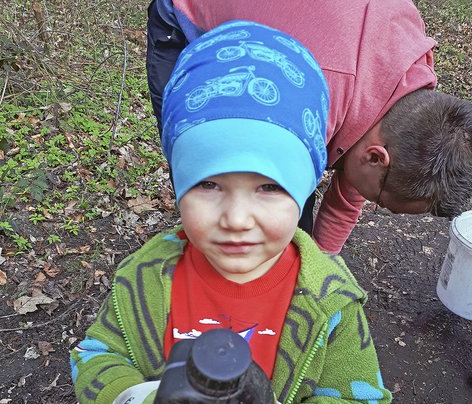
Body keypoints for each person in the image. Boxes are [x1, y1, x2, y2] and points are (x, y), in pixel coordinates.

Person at [71, 21, 392, 404]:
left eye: (269, 186)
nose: (237, 218)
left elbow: (365, 402)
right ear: (176, 181)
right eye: (209, 183)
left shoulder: (329, 300)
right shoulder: (147, 279)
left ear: (306, 185)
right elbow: (97, 353)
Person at [146, 0, 472, 254]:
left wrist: (316, 273)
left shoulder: (409, 100)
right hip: (188, 17)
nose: (370, 202)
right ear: (376, 158)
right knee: (209, 169)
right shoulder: (307, 95)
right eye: (380, 201)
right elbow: (264, 186)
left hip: (297, 44)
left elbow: (346, 196)